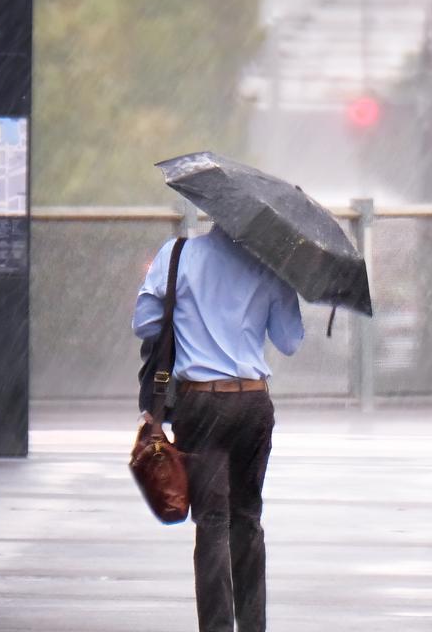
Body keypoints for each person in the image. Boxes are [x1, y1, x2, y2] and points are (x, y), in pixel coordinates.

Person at [132, 225, 303, 632]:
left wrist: (191, 316)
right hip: (253, 401)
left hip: (201, 401)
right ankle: (253, 625)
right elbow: (289, 340)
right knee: (247, 518)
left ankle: (217, 628)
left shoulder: (177, 255)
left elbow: (145, 324)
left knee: (211, 522)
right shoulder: (270, 264)